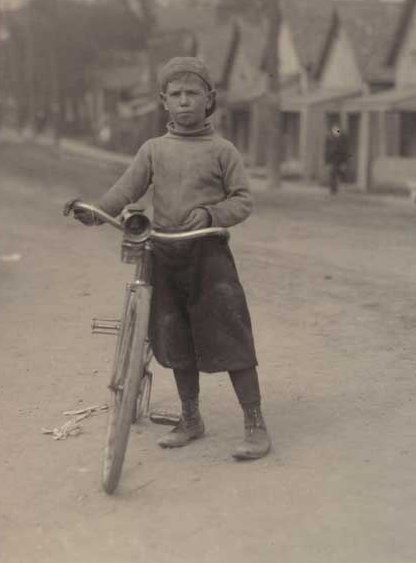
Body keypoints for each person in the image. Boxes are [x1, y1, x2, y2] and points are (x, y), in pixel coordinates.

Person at [69, 56, 270, 460]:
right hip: (163, 250)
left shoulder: (222, 150)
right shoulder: (153, 150)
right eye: (175, 94)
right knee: (173, 334)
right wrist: (96, 211)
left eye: (192, 94)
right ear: (163, 101)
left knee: (230, 330)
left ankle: (255, 423)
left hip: (207, 252)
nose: (184, 102)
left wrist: (213, 213)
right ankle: (190, 417)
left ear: (209, 99)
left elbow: (243, 200)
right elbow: (125, 190)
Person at [324, 125, 350, 195]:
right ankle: (333, 189)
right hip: (333, 159)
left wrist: (344, 161)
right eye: (334, 130)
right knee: (333, 174)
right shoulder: (330, 139)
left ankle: (339, 187)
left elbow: (344, 151)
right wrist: (327, 161)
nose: (336, 132)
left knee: (339, 173)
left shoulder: (341, 140)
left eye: (337, 130)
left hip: (339, 159)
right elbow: (327, 151)